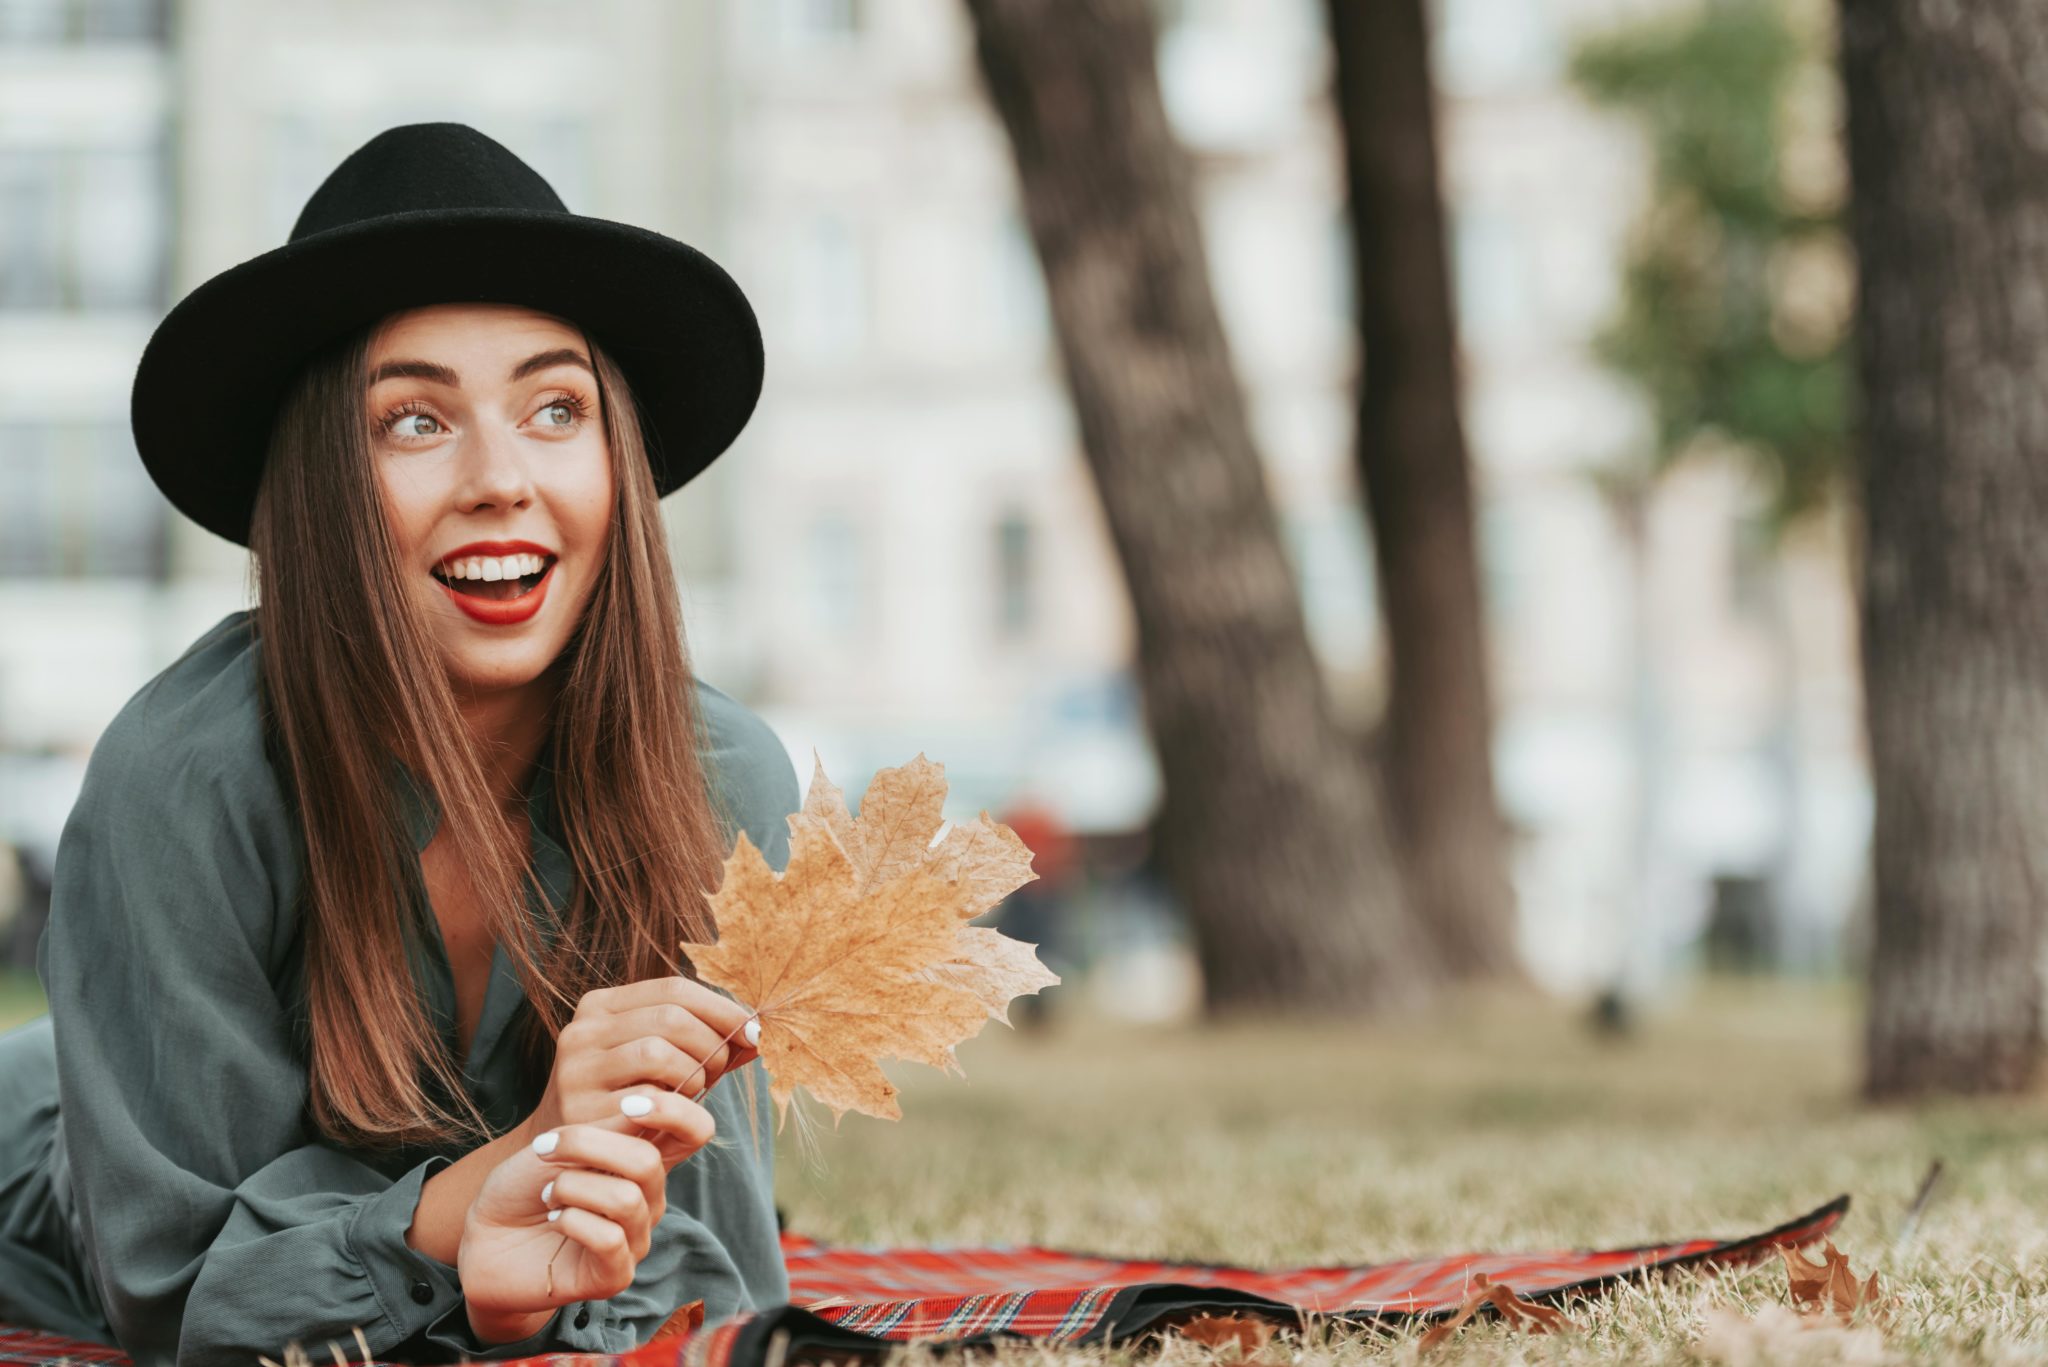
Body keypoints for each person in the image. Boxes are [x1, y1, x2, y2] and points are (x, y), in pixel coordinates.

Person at [0, 123, 799, 1364]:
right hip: (53, 1160)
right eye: (415, 422)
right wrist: (488, 1191)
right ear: (323, 482)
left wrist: (523, 1269)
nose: (499, 477)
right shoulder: (180, 778)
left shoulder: (721, 778)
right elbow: (172, 1281)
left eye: (554, 406)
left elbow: (715, 1268)